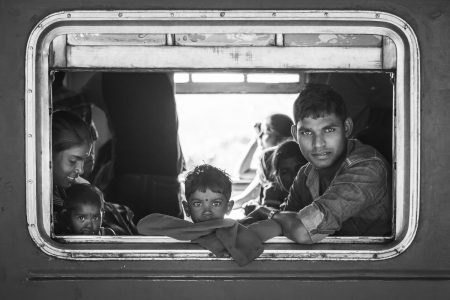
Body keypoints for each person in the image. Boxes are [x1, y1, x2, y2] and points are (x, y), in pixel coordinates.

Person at [250, 84, 392, 243]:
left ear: (346, 128)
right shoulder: (306, 173)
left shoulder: (368, 169)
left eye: (329, 130)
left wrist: (268, 212)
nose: (318, 144)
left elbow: (301, 231)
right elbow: (283, 225)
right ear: (295, 135)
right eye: (307, 132)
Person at [137, 164, 281, 266]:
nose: (207, 210)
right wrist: (208, 231)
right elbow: (144, 226)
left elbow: (275, 227)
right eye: (198, 204)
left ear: (229, 207)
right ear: (187, 209)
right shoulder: (182, 230)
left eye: (216, 203)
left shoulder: (237, 229)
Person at [52, 111, 138, 235]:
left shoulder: (77, 187)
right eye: (72, 161)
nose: (80, 170)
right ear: (48, 156)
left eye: (84, 160)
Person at [232, 114, 293, 211]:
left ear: (284, 139)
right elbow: (243, 173)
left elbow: (244, 199)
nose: (260, 136)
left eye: (264, 132)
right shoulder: (275, 161)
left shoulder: (274, 163)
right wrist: (256, 140)